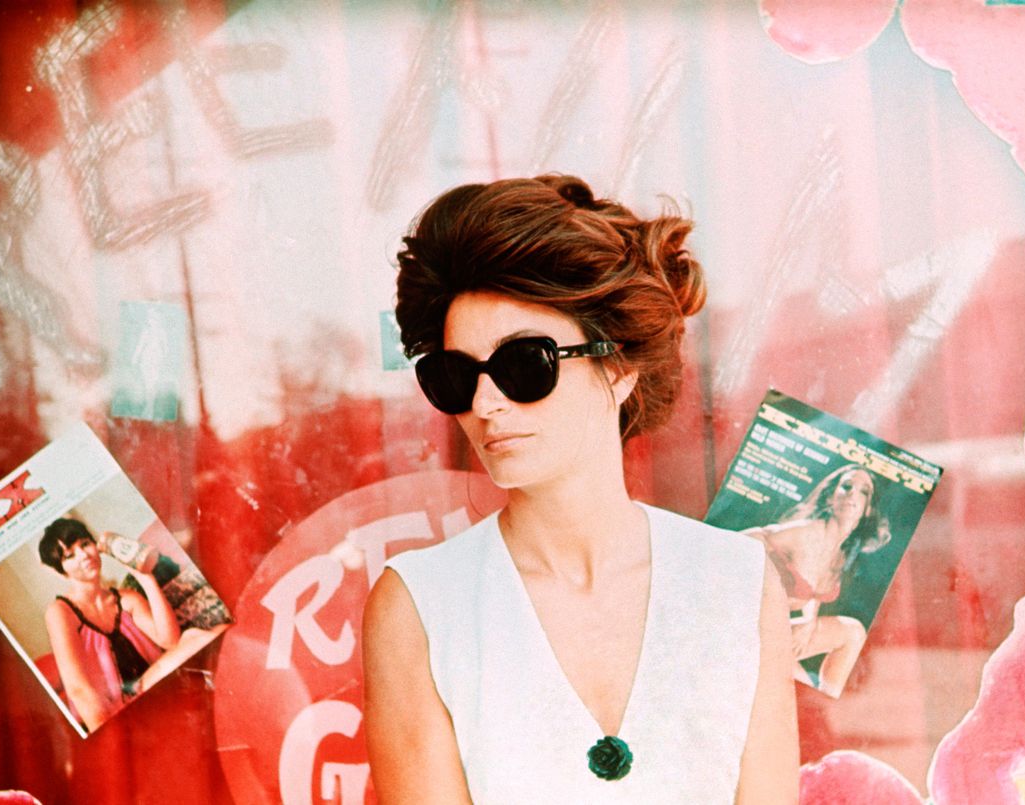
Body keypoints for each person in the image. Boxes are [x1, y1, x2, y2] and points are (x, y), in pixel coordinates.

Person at [363, 175, 798, 802]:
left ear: (618, 366)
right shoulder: (422, 605)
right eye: (454, 376)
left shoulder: (735, 580)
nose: (486, 403)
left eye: (524, 365)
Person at [747, 464, 889, 697]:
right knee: (802, 687)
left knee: (853, 632)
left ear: (867, 509)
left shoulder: (842, 552)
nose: (853, 493)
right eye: (846, 486)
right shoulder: (804, 533)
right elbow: (747, 538)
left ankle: (828, 698)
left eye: (864, 492)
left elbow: (814, 591)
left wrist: (810, 620)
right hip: (752, 629)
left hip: (780, 631)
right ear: (831, 496)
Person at [39, 517, 180, 731]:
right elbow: (78, 689)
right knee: (199, 636)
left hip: (157, 686)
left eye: (85, 544)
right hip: (117, 711)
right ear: (61, 569)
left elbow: (171, 641)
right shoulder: (61, 612)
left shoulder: (126, 598)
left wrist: (146, 579)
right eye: (70, 555)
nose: (84, 555)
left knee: (197, 636)